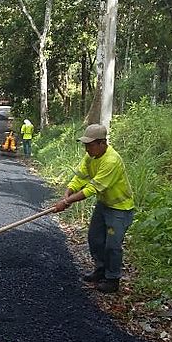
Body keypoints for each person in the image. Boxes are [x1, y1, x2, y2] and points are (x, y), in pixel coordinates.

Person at [52, 124, 135, 294]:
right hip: (104, 205)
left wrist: (67, 202)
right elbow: (80, 177)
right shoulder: (90, 157)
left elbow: (92, 188)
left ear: (102, 143)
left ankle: (112, 279)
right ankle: (100, 270)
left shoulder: (111, 161)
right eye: (85, 145)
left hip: (120, 208)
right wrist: (68, 192)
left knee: (112, 245)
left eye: (90, 145)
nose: (87, 148)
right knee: (95, 239)